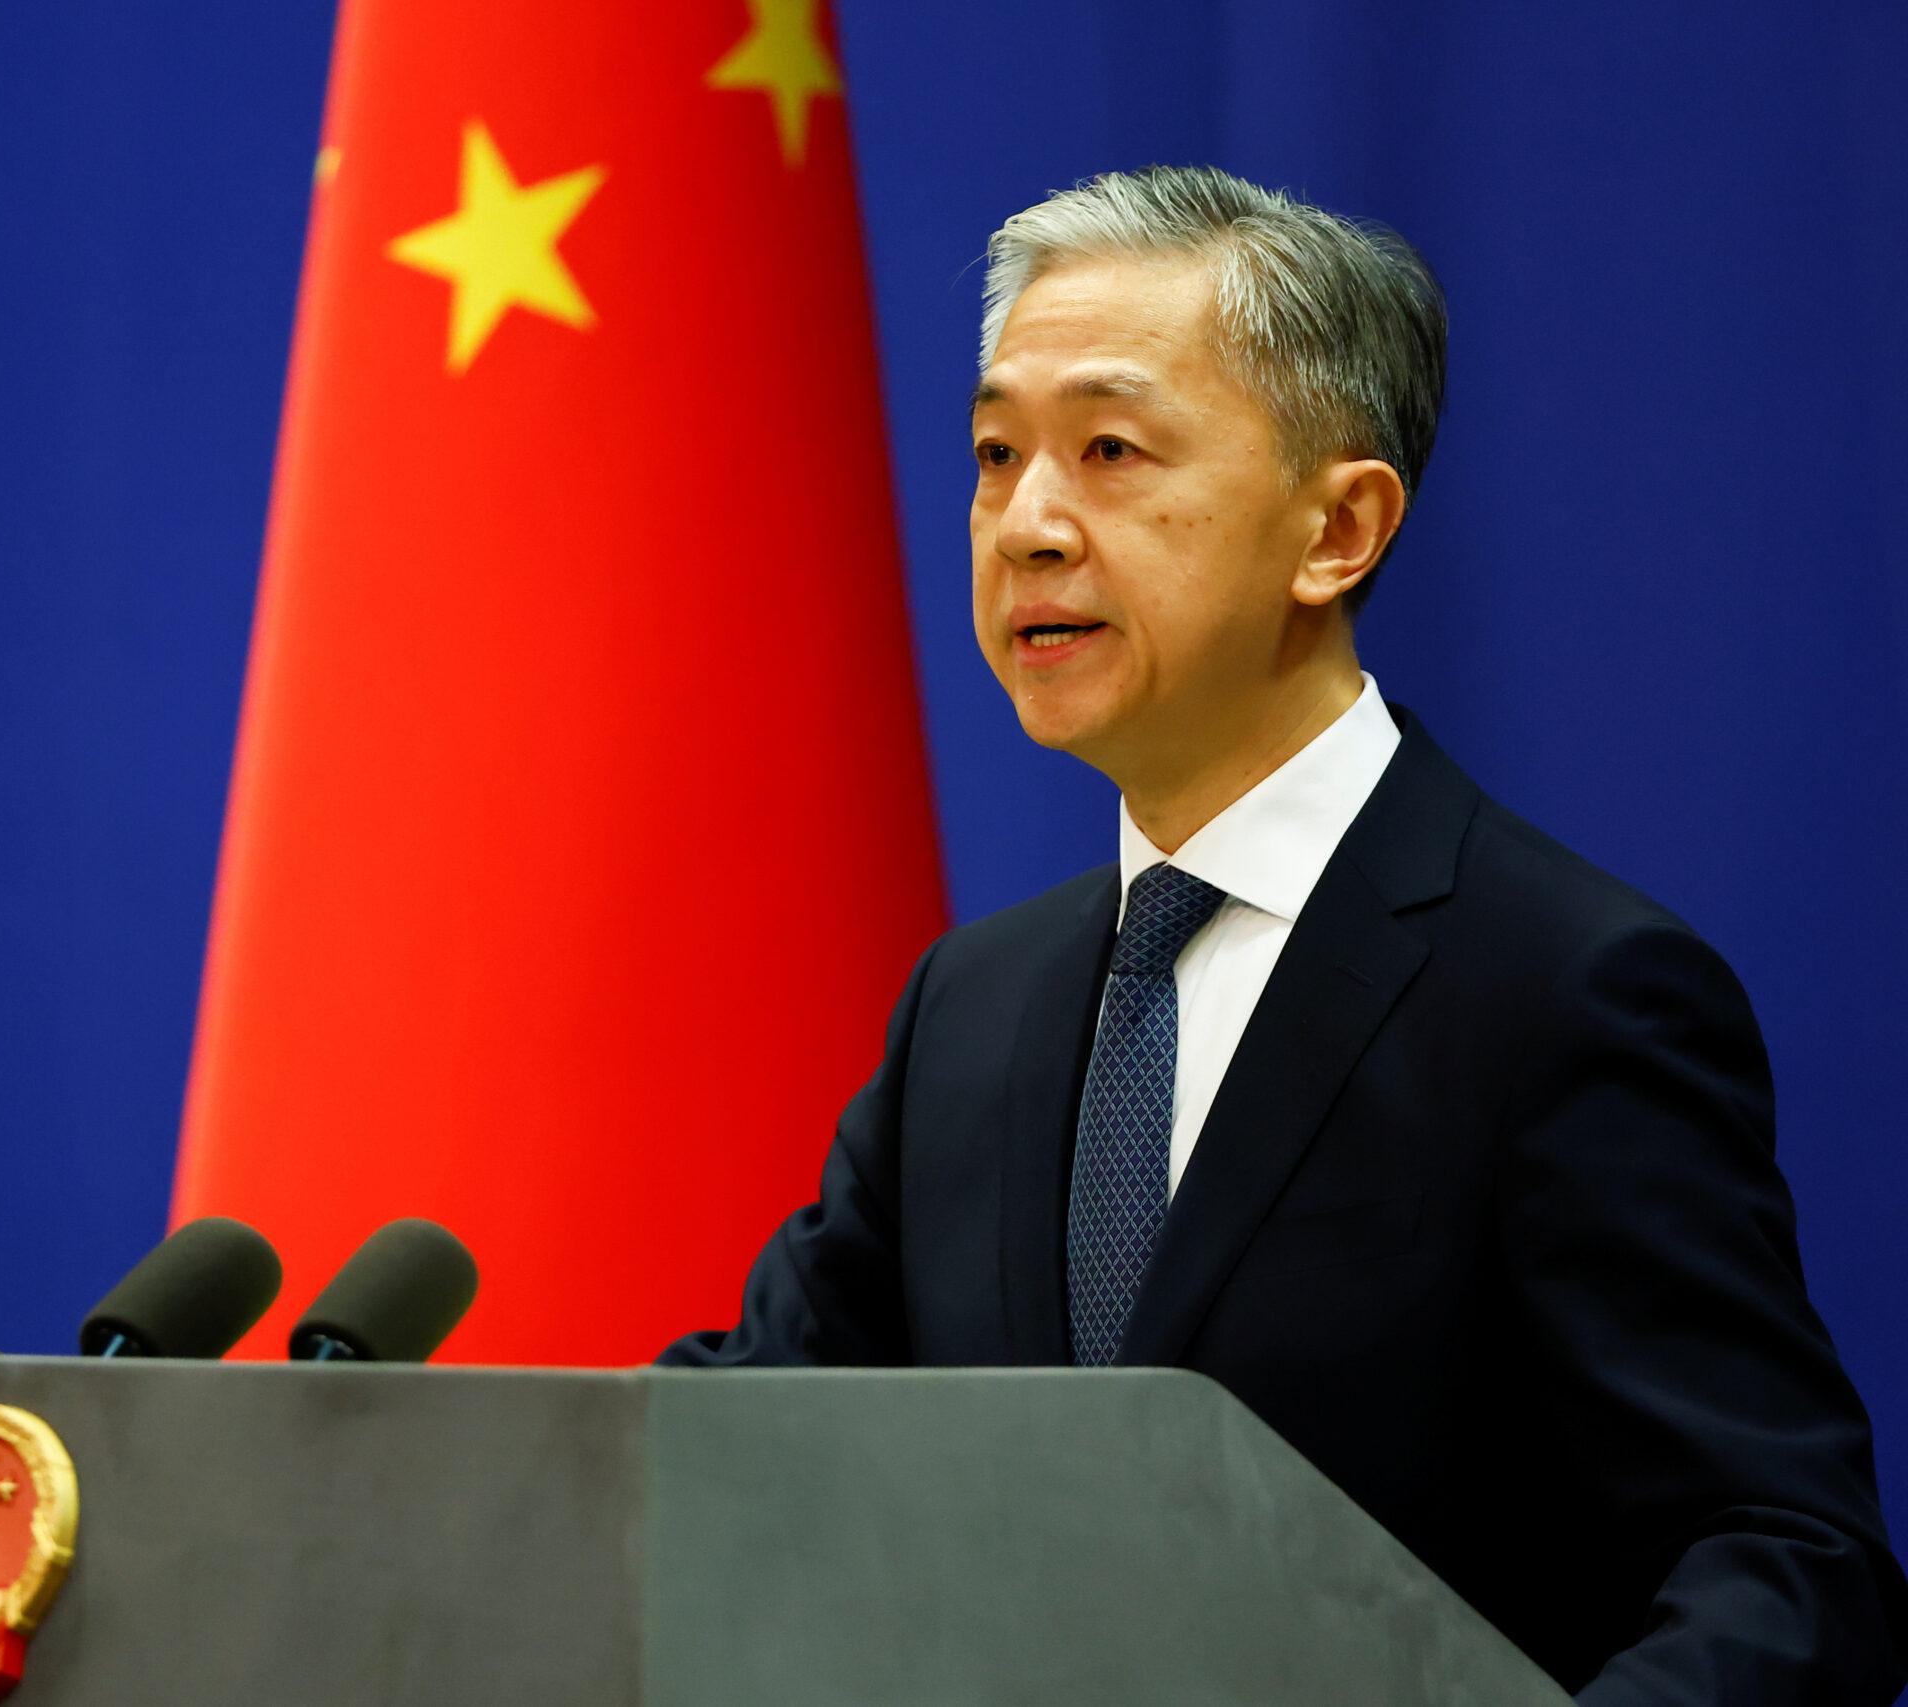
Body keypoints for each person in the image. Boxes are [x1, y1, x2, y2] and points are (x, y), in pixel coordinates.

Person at [659, 165, 1907, 1704]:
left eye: (1109, 451)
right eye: (997, 456)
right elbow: (734, 1454)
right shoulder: (972, 1008)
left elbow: (1783, 1555)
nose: (1028, 524)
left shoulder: (1564, 993)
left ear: (1339, 530)